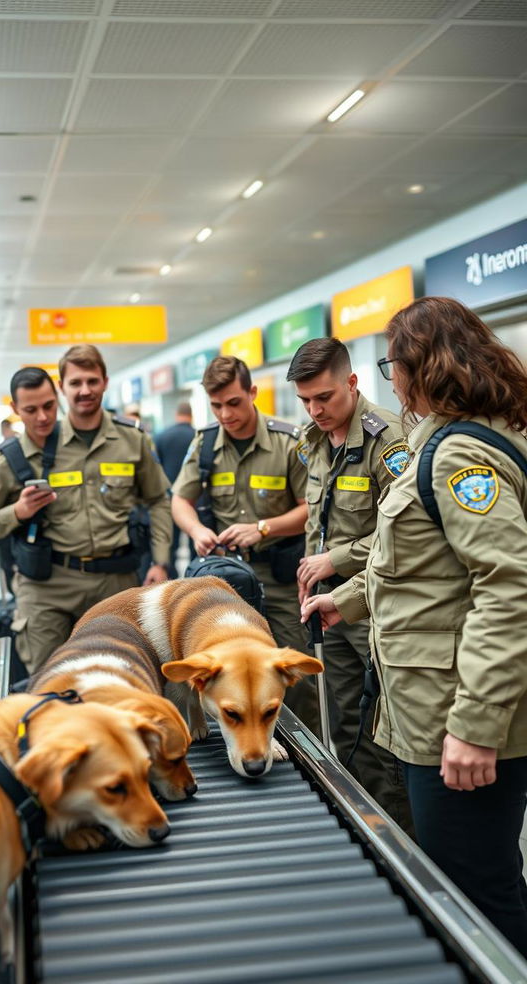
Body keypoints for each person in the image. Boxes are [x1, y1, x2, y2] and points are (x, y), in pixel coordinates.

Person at [302, 296, 527, 956]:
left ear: (420, 366)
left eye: (390, 362)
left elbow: (509, 587)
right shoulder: (447, 438)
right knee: (481, 880)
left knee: (472, 893)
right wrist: (349, 599)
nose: (387, 378)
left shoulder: (460, 456)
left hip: (453, 718)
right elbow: (419, 566)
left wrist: (474, 727)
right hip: (429, 706)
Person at [0, 353, 172, 674]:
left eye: (47, 407)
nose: (41, 417)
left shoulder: (131, 438)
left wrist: (160, 561)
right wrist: (18, 512)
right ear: (64, 388)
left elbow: (159, 499)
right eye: (76, 382)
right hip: (49, 584)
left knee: (121, 676)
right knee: (51, 681)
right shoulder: (22, 453)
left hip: (115, 579)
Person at [286, 337, 413, 833]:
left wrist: (334, 559)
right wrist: (312, 567)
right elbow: (319, 519)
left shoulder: (391, 442)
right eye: (306, 400)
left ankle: (403, 840)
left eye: (325, 397)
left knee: (385, 733)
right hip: (326, 607)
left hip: (375, 604)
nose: (315, 409)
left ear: (353, 383)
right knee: (345, 726)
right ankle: (367, 829)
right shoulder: (311, 441)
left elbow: (404, 535)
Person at [171, 355, 317, 729]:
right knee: (228, 674)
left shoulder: (289, 441)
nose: (225, 414)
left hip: (280, 576)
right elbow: (180, 500)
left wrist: (263, 528)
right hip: (226, 583)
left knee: (293, 676)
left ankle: (307, 754)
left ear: (252, 392)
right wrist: (196, 531)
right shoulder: (204, 444)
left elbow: (310, 509)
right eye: (216, 405)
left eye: (233, 402)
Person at [155, 401, 195, 576]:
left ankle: (170, 584)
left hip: (169, 499)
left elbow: (157, 468)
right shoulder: (197, 436)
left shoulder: (162, 436)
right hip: (194, 500)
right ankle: (195, 580)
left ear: (177, 414)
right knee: (197, 545)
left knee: (171, 546)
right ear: (190, 415)